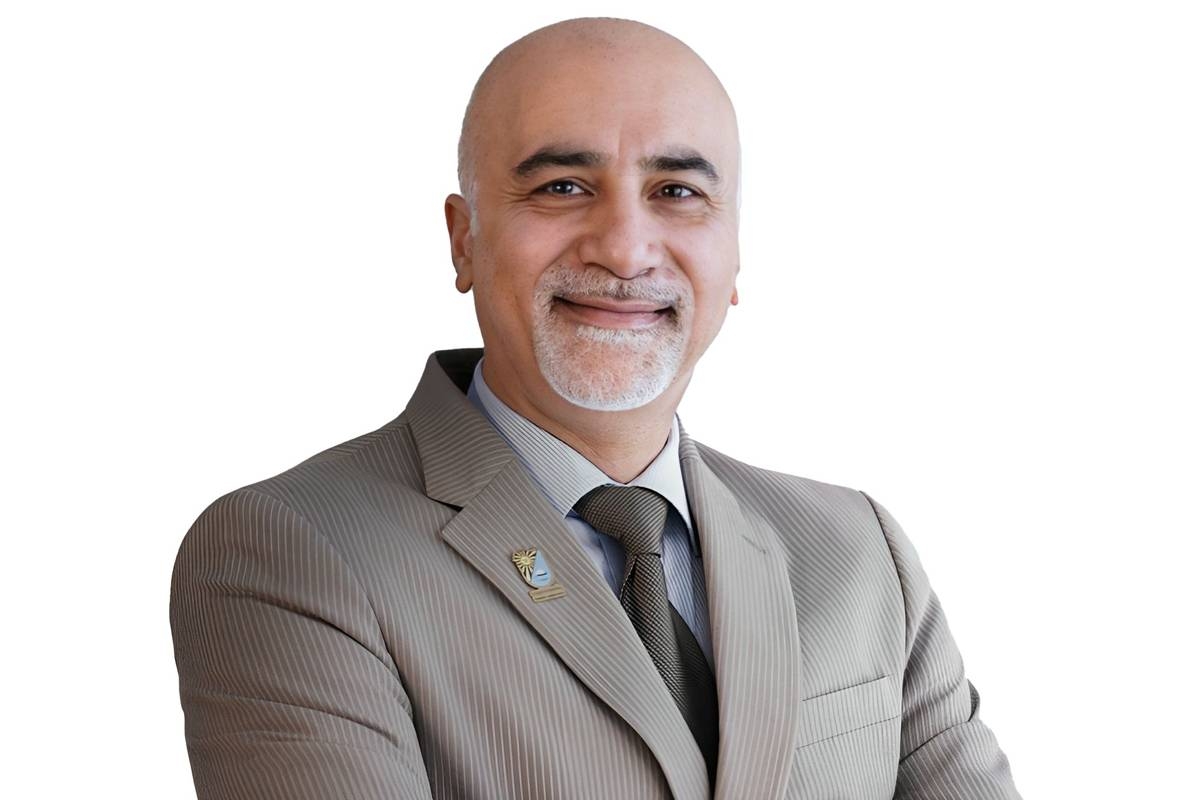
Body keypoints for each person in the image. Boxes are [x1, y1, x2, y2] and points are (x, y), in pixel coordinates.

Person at [169, 16, 1022, 800]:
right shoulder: (293, 553)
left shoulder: (859, 554)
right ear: (464, 239)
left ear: (734, 249)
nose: (624, 247)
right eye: (563, 186)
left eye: (677, 192)